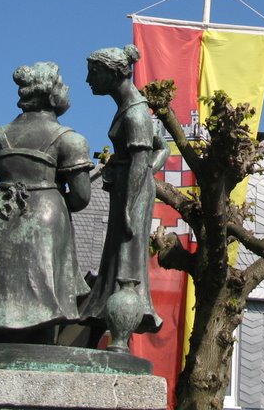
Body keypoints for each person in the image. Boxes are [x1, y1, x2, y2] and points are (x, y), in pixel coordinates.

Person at [0, 62, 93, 343]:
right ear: (51, 95)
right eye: (62, 84)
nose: (67, 90)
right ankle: (42, 338)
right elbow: (80, 197)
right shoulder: (71, 141)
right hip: (46, 213)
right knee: (44, 285)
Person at [80, 44, 168, 337]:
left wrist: (133, 199)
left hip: (132, 194)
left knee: (126, 262)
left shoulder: (135, 114)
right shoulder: (128, 108)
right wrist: (128, 172)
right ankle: (106, 310)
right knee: (117, 257)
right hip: (130, 188)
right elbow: (162, 149)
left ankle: (122, 326)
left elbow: (144, 158)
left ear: (113, 73)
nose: (88, 80)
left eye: (94, 73)